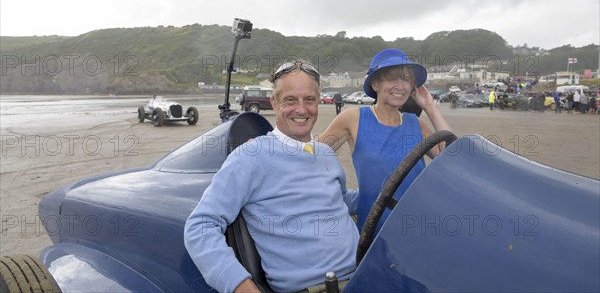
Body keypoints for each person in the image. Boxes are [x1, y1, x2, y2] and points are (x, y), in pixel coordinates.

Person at [184, 60, 359, 293]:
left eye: (309, 100)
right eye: (290, 100)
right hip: (315, 288)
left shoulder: (325, 153)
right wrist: (240, 285)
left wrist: (388, 191)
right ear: (274, 104)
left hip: (364, 274)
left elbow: (342, 200)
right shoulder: (251, 156)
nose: (301, 109)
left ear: (318, 102)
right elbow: (200, 225)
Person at [316, 48, 450, 232]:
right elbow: (313, 155)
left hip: (418, 224)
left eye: (406, 79)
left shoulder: (415, 124)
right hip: (374, 230)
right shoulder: (354, 118)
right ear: (375, 84)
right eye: (392, 78)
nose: (401, 86)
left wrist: (430, 107)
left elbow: (452, 156)